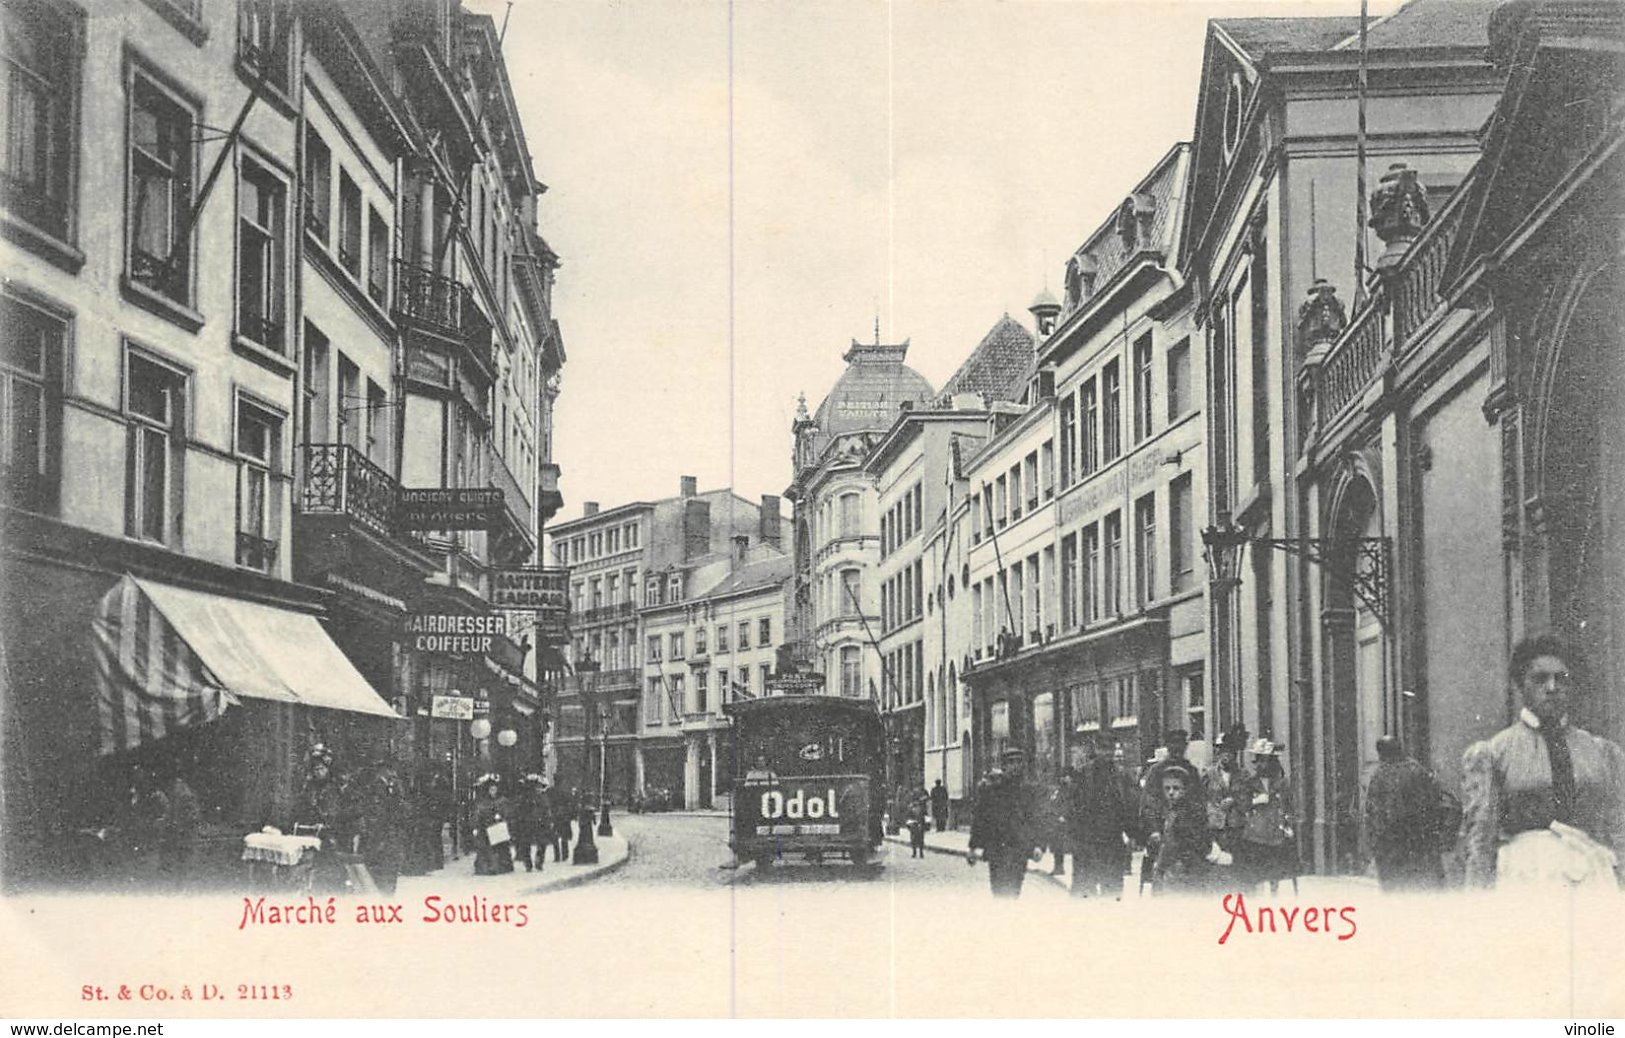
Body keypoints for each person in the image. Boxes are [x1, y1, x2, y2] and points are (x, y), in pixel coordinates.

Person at [1461, 634, 1625, 891]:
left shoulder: (1600, 751)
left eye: (1562, 679)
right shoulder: (1496, 753)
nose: (1552, 687)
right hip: (1526, 879)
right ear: (1521, 685)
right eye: (1540, 679)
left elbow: (1618, 826)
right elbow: (1481, 839)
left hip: (1591, 878)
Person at [1361, 736, 1446, 891]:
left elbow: (1372, 813)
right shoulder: (1417, 769)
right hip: (1416, 841)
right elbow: (1432, 802)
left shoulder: (1379, 775)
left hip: (1389, 844)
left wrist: (1373, 843)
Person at [967, 748, 1041, 898]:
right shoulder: (992, 791)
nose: (1015, 766)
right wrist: (973, 847)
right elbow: (981, 819)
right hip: (997, 850)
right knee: (999, 890)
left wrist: (1038, 845)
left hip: (1019, 850)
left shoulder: (1028, 792)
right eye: (1011, 762)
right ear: (1004, 766)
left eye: (1019, 762)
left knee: (1014, 891)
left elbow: (1035, 819)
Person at [1066, 746, 1135, 899]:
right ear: (1096, 749)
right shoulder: (1082, 774)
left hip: (1112, 842)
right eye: (1103, 748)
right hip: (1087, 844)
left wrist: (1133, 833)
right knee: (1085, 892)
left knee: (1112, 890)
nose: (1107, 752)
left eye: (1109, 748)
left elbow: (1130, 805)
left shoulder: (1121, 776)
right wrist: (1075, 837)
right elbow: (1071, 806)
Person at [1242, 740, 1299, 895]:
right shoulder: (1249, 782)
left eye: (1263, 760)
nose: (1259, 764)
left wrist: (1288, 825)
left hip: (1275, 832)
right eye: (1257, 760)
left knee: (1275, 870)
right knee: (1257, 871)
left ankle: (1274, 895)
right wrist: (1254, 801)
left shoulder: (1282, 783)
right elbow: (1242, 805)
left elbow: (1289, 806)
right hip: (1256, 834)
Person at [1151, 771, 1211, 895]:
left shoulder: (1189, 813)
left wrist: (1161, 867)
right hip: (1176, 868)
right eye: (1167, 789)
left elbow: (1176, 844)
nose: (1171, 792)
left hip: (1184, 869)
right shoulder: (1170, 809)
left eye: (1176, 788)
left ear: (1185, 790)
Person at [1139, 729, 1202, 839]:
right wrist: (1154, 829)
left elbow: (1199, 800)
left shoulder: (1192, 771)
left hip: (1188, 830)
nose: (1177, 747)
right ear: (1167, 746)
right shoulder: (1156, 771)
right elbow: (1149, 803)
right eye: (1173, 743)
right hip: (1163, 829)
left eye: (1180, 743)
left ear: (1186, 746)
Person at [358, 761, 408, 895]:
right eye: (390, 770)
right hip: (381, 833)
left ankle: (388, 891)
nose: (393, 773)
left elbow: (400, 806)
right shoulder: (377, 786)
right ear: (384, 770)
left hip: (390, 833)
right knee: (382, 864)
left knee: (390, 864)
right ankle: (384, 893)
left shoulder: (394, 785)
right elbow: (378, 810)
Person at [471, 774, 515, 876]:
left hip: (498, 827)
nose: (493, 792)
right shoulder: (483, 802)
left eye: (494, 789)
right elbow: (478, 814)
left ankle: (501, 867)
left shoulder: (502, 800)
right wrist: (476, 826)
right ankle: (488, 867)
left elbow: (508, 813)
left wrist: (501, 817)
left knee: (500, 848)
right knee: (486, 848)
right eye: (491, 789)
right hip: (486, 827)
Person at [512, 775, 554, 873]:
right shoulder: (526, 799)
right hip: (529, 823)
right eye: (537, 787)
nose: (538, 789)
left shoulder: (544, 798)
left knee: (542, 844)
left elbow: (547, 811)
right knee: (526, 844)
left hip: (541, 824)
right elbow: (521, 811)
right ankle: (528, 863)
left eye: (540, 787)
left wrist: (548, 821)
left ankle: (538, 862)